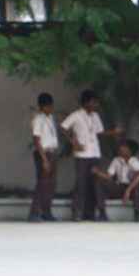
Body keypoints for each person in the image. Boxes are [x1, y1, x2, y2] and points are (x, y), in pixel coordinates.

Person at [61, 89, 120, 222]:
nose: (96, 105)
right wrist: (73, 142)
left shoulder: (95, 116)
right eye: (94, 102)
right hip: (82, 156)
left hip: (95, 154)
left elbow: (99, 133)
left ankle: (97, 213)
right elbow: (63, 127)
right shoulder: (76, 115)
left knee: (97, 184)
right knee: (81, 184)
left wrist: (113, 133)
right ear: (86, 102)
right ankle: (77, 213)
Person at [29, 93, 60, 223]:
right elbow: (36, 140)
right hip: (43, 153)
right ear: (43, 106)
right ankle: (34, 213)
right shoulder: (38, 120)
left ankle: (46, 212)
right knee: (42, 184)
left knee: (51, 184)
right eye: (49, 106)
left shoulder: (50, 118)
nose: (52, 108)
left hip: (52, 152)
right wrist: (44, 160)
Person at [97, 138, 139, 218]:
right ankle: (102, 212)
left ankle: (137, 214)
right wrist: (97, 172)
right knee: (99, 183)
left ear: (130, 150)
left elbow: (138, 176)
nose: (120, 148)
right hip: (120, 187)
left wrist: (128, 190)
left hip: (132, 188)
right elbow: (108, 176)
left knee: (137, 187)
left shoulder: (135, 162)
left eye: (123, 147)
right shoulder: (116, 160)